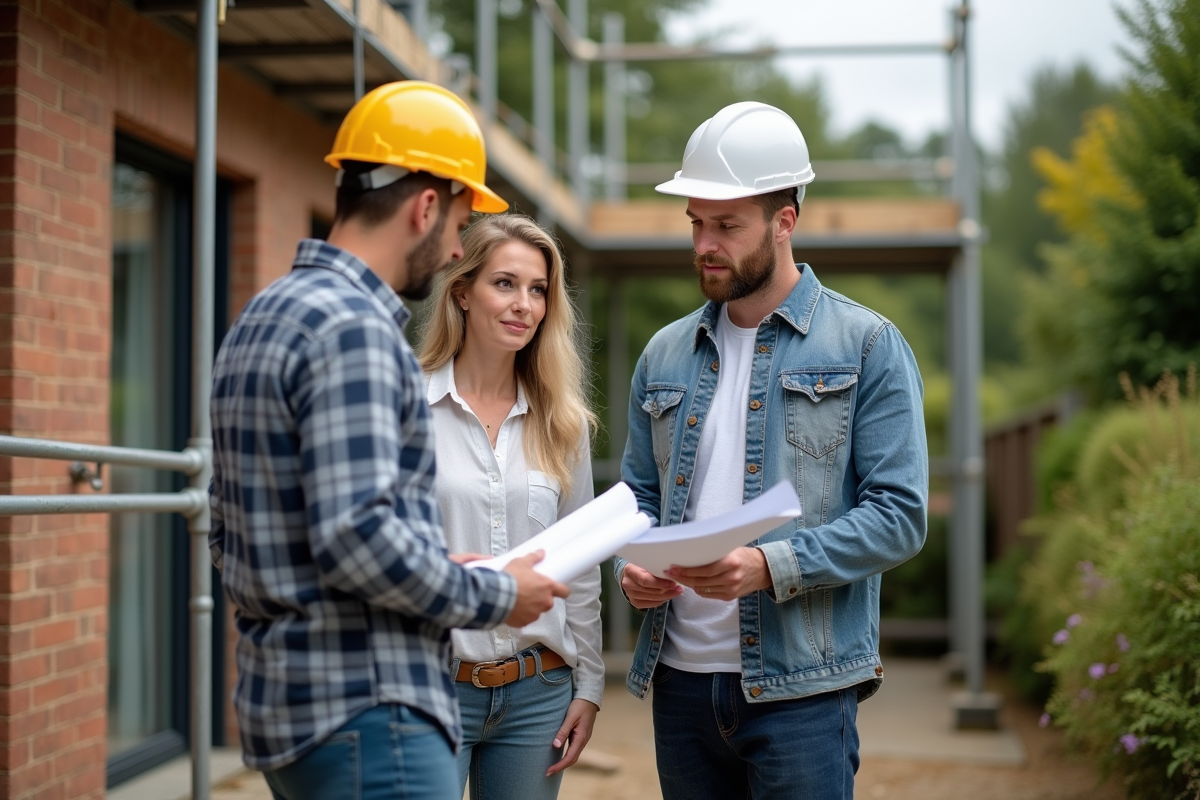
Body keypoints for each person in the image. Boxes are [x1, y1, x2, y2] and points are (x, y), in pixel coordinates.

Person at [208, 81, 570, 800]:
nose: (458, 247)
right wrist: (491, 592)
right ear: (426, 205)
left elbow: (235, 530)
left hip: (289, 706)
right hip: (371, 715)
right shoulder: (356, 329)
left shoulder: (263, 314)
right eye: (462, 218)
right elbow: (355, 537)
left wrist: (432, 560)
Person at [615, 101, 929, 800]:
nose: (705, 243)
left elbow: (900, 516)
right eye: (696, 222)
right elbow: (636, 497)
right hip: (681, 688)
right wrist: (631, 564)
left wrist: (767, 566)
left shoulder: (867, 345)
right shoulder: (663, 353)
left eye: (726, 225)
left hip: (803, 695)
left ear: (785, 220)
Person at [416, 213, 603, 800]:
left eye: (538, 289)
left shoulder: (564, 425)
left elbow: (582, 566)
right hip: (431, 686)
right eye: (505, 283)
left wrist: (590, 687)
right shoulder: (406, 408)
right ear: (462, 291)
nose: (524, 303)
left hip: (538, 693)